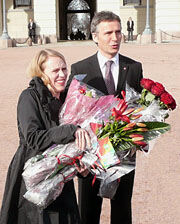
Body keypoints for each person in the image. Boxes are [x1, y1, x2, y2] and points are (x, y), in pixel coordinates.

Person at [65, 11, 143, 224]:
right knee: (89, 210)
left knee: (122, 208)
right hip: (92, 151)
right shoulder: (80, 69)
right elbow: (71, 111)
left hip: (123, 151)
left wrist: (138, 135)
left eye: (118, 32)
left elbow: (139, 107)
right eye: (108, 33)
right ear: (95, 36)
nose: (115, 38)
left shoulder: (134, 67)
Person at [0, 49, 91, 224]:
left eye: (64, 69)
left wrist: (82, 168)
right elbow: (33, 138)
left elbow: (73, 146)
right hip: (33, 175)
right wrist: (70, 130)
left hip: (61, 178)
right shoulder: (29, 97)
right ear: (41, 73)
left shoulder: (69, 100)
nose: (62, 74)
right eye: (55, 71)